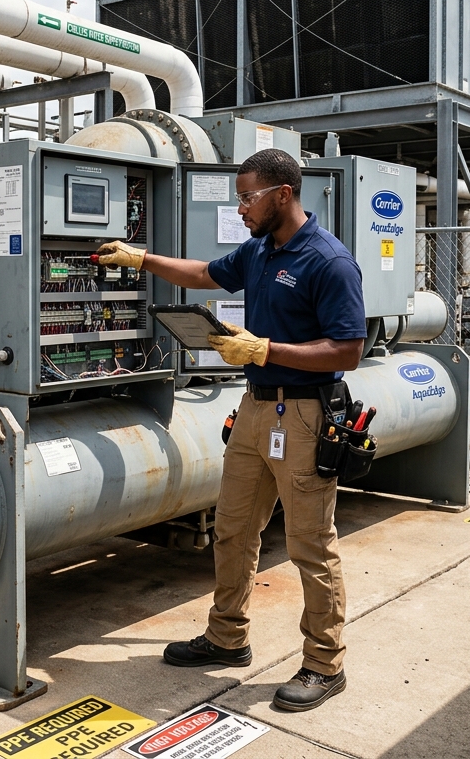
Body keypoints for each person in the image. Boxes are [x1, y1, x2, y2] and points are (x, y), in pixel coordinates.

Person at [96, 147, 367, 712]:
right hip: (255, 407)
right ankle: (226, 638)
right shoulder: (261, 250)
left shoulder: (329, 261)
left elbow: (348, 349)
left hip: (305, 413)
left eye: (247, 198)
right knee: (234, 529)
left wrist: (265, 348)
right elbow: (202, 275)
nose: (239, 208)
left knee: (310, 546)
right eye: (237, 198)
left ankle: (324, 663)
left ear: (283, 196)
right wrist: (139, 258)